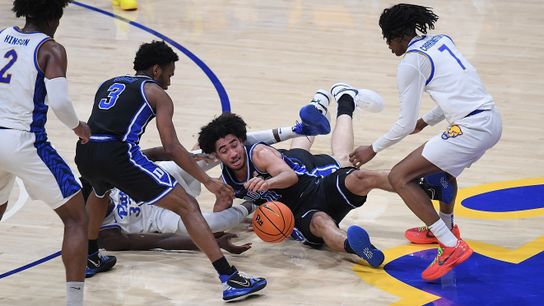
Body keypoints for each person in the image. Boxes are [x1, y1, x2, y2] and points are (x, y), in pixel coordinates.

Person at [75, 40, 266, 301]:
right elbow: (172, 147)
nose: (169, 81)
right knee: (187, 206)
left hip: (85, 151)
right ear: (156, 70)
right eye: (169, 74)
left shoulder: (108, 84)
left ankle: (90, 258)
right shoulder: (157, 94)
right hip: (117, 156)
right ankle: (230, 278)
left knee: (99, 193)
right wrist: (207, 181)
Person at [349, 4, 502, 281]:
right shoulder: (442, 41)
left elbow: (404, 124)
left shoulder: (410, 62)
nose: (388, 46)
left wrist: (372, 149)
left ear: (398, 36)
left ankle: (451, 246)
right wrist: (426, 122)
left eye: (387, 39)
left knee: (399, 176)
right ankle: (444, 227)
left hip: (471, 127)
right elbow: (456, 91)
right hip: (490, 118)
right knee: (440, 174)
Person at [198, 88, 394, 268]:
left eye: (234, 145)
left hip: (312, 180)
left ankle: (344, 99)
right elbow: (218, 218)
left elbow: (289, 176)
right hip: (299, 214)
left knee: (353, 168)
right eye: (224, 150)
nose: (232, 153)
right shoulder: (226, 182)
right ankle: (357, 247)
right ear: (217, 156)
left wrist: (267, 184)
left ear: (241, 141)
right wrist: (217, 237)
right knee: (322, 223)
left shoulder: (259, 154)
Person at [89, 118, 329, 254]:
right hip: (162, 215)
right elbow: (159, 242)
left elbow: (148, 154)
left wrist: (184, 154)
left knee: (217, 151)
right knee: (213, 224)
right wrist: (213, 242)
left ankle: (295, 129)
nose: (104, 201)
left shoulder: (101, 179)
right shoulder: (107, 237)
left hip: (163, 179)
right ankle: (251, 206)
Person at [0, 1, 90, 305]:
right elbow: (61, 103)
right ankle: (74, 302)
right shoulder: (51, 49)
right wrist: (79, 127)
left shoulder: (1, 36)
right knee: (77, 217)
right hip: (24, 140)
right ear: (55, 16)